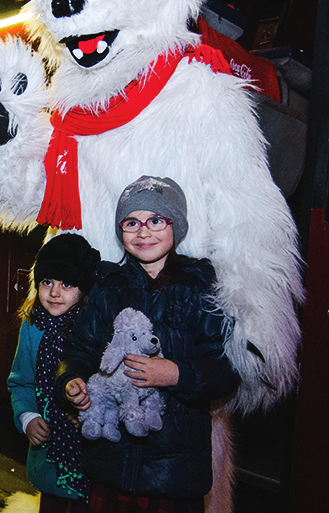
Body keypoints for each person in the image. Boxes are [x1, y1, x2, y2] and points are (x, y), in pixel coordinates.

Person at [57, 176, 240, 511]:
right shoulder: (108, 287)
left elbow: (227, 370)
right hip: (111, 461)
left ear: (177, 226)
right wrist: (71, 382)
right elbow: (78, 351)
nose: (143, 232)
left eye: (156, 220)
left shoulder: (201, 289)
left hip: (174, 473)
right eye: (132, 222)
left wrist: (177, 375)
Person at [8, 233, 100, 513]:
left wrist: (89, 413)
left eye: (67, 284)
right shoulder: (33, 327)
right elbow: (21, 382)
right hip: (48, 456)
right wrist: (28, 417)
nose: (54, 292)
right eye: (47, 282)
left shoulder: (93, 329)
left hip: (89, 455)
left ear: (83, 290)